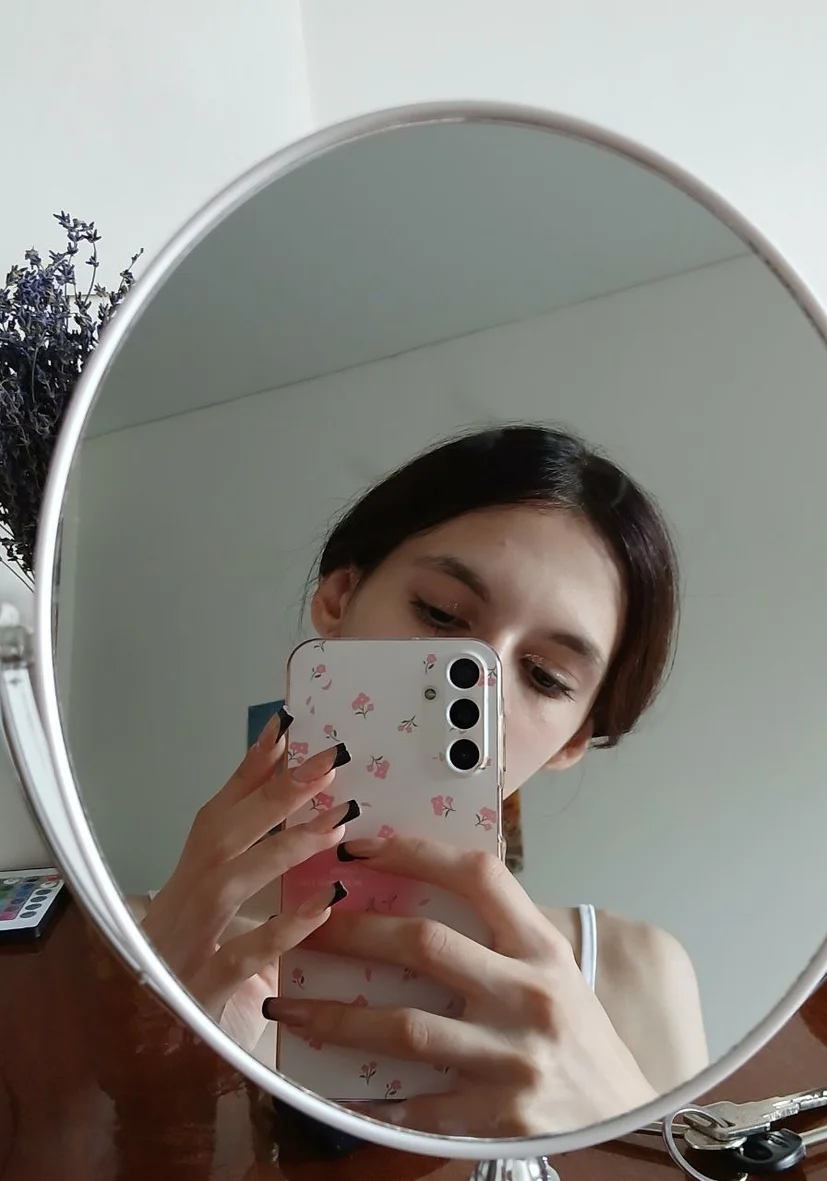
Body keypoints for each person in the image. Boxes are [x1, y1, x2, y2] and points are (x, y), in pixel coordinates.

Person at [137, 423, 708, 1137]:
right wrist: (149, 1067)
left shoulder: (634, 973)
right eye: (440, 613)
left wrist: (611, 1120)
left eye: (544, 676)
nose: (482, 688)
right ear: (339, 598)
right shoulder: (138, 933)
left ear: (573, 740)